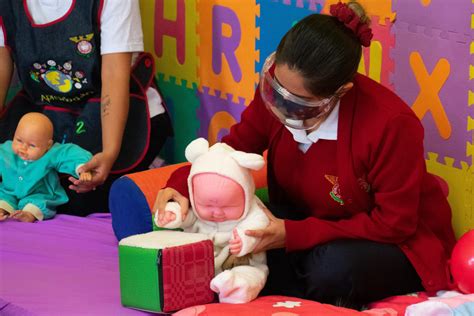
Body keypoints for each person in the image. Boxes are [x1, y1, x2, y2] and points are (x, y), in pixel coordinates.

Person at [153, 1, 456, 310]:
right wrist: (180, 187)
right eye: (276, 90)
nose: (282, 108)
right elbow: (231, 150)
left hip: (391, 242)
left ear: (341, 92)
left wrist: (292, 234)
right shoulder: (279, 93)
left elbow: (395, 224)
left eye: (300, 104)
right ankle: (257, 277)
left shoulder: (391, 125)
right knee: (217, 229)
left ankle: (266, 282)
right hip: (303, 224)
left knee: (330, 269)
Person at [0, 0, 173, 216]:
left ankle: (147, 172)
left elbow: (113, 75)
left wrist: (109, 153)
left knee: (75, 198)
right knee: (16, 180)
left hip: (112, 109)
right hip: (47, 110)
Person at [155, 138, 270, 304]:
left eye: (228, 206)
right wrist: (174, 215)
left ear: (245, 194)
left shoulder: (252, 210)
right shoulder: (199, 212)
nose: (216, 212)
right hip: (201, 264)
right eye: (206, 205)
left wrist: (245, 239)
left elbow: (258, 224)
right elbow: (190, 219)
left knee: (250, 275)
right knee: (182, 270)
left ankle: (234, 287)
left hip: (240, 263)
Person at [0, 113, 92, 222]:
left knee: (38, 204)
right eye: (19, 140)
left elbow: (70, 154)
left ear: (48, 145)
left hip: (38, 193)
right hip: (9, 191)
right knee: (3, 199)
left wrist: (82, 169)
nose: (23, 148)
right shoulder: (6, 151)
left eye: (32, 145)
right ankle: (2, 209)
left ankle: (28, 215)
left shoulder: (50, 154)